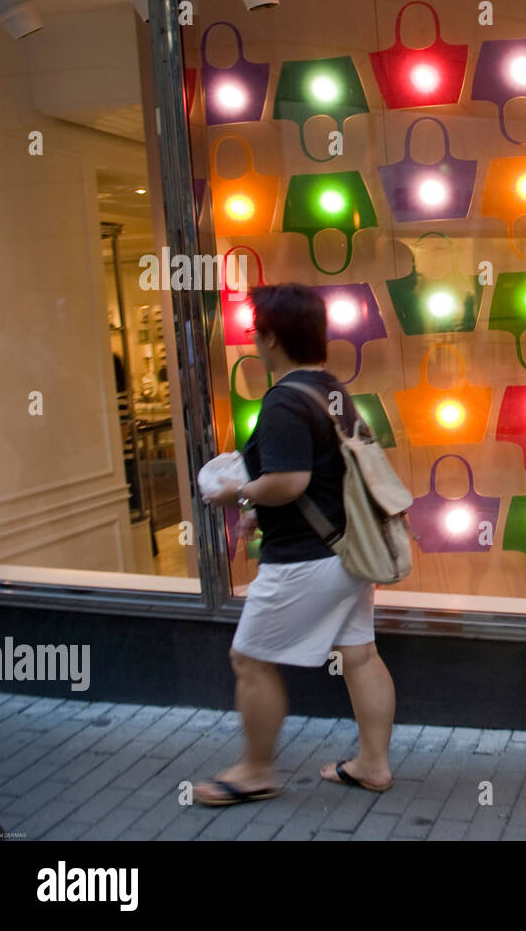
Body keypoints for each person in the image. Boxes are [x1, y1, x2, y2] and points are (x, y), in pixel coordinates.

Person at [194, 283, 396, 805]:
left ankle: (255, 771)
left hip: (306, 559)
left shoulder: (284, 400)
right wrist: (258, 508)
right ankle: (372, 764)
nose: (254, 339)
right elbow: (328, 477)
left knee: (250, 660)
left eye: (255, 331)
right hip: (348, 549)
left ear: (271, 337)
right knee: (360, 653)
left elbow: (290, 480)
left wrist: (238, 495)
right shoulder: (329, 389)